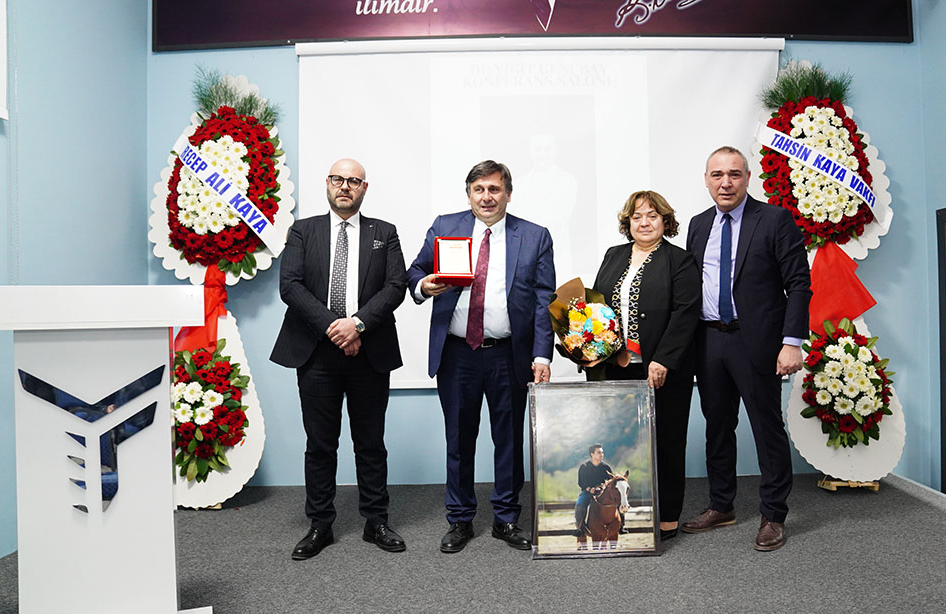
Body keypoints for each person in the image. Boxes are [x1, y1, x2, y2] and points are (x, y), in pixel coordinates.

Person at [407, 160, 556, 554]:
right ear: (468, 193)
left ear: (508, 193)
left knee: (508, 440)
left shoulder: (535, 236)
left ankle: (506, 518)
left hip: (508, 354)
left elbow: (545, 301)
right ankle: (459, 519)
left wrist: (542, 354)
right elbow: (415, 271)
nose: (486, 197)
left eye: (494, 189)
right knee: (459, 438)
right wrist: (424, 284)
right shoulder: (445, 226)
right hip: (457, 353)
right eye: (479, 189)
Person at [270, 158, 408, 560]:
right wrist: (337, 328)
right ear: (327, 184)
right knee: (320, 444)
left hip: (369, 352)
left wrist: (358, 325)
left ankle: (376, 521)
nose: (344, 186)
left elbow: (396, 285)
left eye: (353, 181)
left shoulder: (385, 233)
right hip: (315, 353)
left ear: (364, 188)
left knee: (370, 443)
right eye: (337, 179)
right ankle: (320, 525)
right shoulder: (302, 231)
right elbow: (290, 286)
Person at [682, 146, 811, 551]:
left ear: (748, 177)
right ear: (706, 180)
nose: (725, 182)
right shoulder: (698, 224)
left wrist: (791, 343)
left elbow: (799, 284)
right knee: (717, 427)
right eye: (717, 174)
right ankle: (722, 505)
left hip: (757, 343)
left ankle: (773, 515)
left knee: (765, 428)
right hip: (709, 340)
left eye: (734, 174)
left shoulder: (773, 219)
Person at [589, 190, 701, 540]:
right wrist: (587, 347)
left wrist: (663, 358)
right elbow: (596, 309)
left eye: (653, 215)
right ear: (628, 223)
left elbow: (685, 314)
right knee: (621, 445)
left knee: (666, 443)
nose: (645, 222)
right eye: (637, 216)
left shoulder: (679, 260)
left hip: (660, 371)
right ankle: (623, 511)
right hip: (615, 368)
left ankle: (667, 515)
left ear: (665, 221)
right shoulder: (613, 255)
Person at [574, 443, 615, 541]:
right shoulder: (584, 467)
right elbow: (581, 482)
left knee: (618, 503)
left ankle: (621, 526)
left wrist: (602, 487)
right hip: (587, 492)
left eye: (602, 452)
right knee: (579, 505)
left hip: (603, 492)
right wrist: (589, 489)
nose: (601, 455)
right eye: (599, 452)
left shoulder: (606, 468)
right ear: (592, 454)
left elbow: (611, 482)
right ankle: (580, 529)